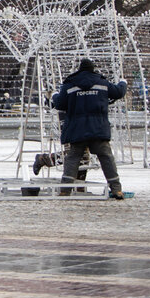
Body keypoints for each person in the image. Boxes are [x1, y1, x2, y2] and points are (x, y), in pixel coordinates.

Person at [51, 58, 127, 199]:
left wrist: (54, 95)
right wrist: (123, 83)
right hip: (98, 128)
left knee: (73, 158)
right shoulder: (102, 83)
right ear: (93, 69)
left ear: (80, 69)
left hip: (77, 129)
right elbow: (118, 93)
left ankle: (65, 190)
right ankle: (116, 189)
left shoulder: (70, 84)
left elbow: (60, 104)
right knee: (106, 158)